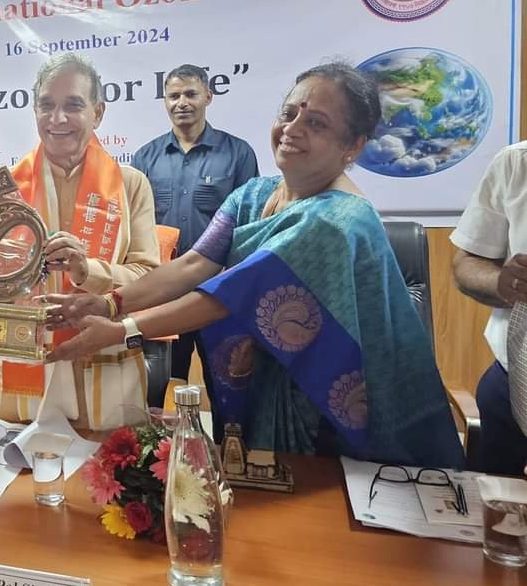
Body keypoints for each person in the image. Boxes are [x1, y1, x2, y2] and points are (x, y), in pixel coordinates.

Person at [46, 63, 463, 467]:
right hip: (271, 378)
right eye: (289, 113)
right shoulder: (255, 194)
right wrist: (109, 302)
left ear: (352, 146)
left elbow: (228, 296)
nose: (293, 129)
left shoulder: (337, 220)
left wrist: (121, 329)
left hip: (334, 400)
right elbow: (194, 263)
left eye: (316, 123)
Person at [0, 53, 159, 430]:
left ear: (98, 113)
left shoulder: (130, 185)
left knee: (106, 466)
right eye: (46, 105)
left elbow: (150, 279)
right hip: (26, 369)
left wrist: (88, 272)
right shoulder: (5, 189)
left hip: (103, 367)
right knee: (20, 462)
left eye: (73, 105)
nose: (58, 118)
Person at [133, 64, 258, 384]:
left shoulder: (238, 153)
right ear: (165, 101)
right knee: (158, 387)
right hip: (164, 295)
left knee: (226, 389)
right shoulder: (146, 158)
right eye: (174, 96)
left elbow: (250, 229)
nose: (182, 103)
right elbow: (135, 230)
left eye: (190, 94)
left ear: (208, 97)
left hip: (218, 294)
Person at [451, 142, 527, 476]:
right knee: (500, 508)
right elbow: (466, 264)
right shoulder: (516, 164)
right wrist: (502, 283)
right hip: (511, 392)